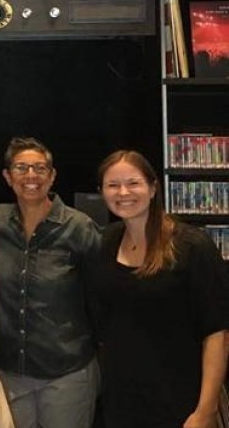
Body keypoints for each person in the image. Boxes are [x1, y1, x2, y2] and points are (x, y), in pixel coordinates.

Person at [88, 150, 229, 428]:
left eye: (133, 183)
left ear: (153, 188)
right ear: (102, 192)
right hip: (122, 401)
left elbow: (217, 333)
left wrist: (205, 410)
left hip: (179, 401)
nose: (123, 192)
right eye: (113, 185)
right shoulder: (106, 242)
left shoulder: (191, 246)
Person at [0, 137, 101, 428]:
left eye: (40, 168)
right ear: (7, 176)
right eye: (21, 168)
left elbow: (105, 289)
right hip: (9, 373)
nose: (31, 176)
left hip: (67, 374)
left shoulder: (78, 227)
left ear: (52, 176)